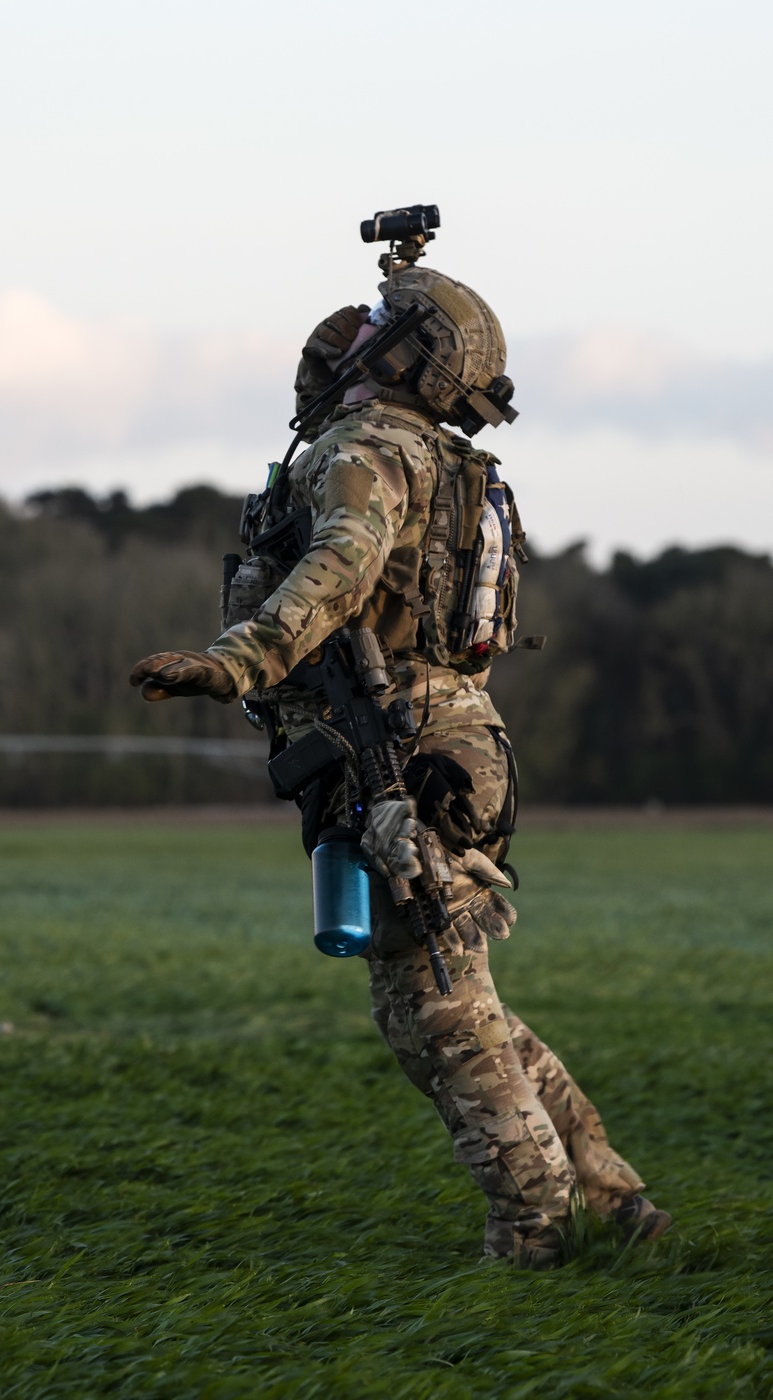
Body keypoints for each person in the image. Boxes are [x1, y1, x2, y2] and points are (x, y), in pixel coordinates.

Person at [130, 247, 671, 1269]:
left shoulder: (368, 450)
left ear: (413, 352)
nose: (356, 332)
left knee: (435, 1008)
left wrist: (235, 662)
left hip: (406, 748)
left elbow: (341, 567)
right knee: (463, 997)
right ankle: (618, 1207)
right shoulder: (431, 452)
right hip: (445, 735)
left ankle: (534, 1232)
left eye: (383, 320)